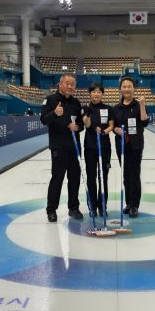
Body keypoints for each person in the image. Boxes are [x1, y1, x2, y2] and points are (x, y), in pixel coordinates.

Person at [40, 73, 85, 222]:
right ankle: (51, 209)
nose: (70, 86)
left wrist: (77, 127)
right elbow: (43, 120)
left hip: (74, 147)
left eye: (72, 84)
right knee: (57, 179)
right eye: (67, 83)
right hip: (58, 147)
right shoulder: (50, 100)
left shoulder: (76, 102)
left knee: (75, 179)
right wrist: (54, 113)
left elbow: (81, 124)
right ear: (60, 84)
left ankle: (73, 208)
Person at [113, 77, 149, 218]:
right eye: (124, 86)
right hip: (121, 146)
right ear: (120, 89)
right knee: (126, 175)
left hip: (135, 146)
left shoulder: (139, 105)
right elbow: (112, 125)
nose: (127, 89)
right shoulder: (116, 108)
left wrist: (142, 105)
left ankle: (134, 205)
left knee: (134, 175)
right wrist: (116, 130)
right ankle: (128, 203)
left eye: (129, 86)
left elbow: (145, 123)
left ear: (134, 89)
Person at [82, 82, 114, 217]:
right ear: (90, 93)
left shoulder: (108, 108)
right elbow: (87, 125)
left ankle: (102, 206)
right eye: (94, 91)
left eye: (99, 92)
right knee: (91, 177)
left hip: (104, 146)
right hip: (90, 147)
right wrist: (88, 114)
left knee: (103, 177)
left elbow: (111, 125)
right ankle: (92, 207)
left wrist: (104, 132)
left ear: (102, 93)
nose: (96, 94)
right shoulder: (85, 108)